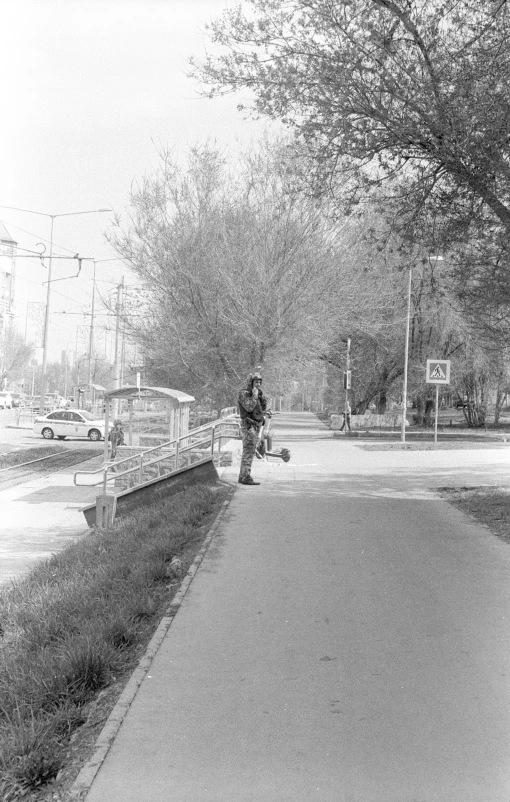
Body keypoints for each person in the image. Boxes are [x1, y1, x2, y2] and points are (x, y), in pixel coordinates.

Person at [237, 371, 267, 485]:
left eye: (259, 382)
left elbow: (262, 408)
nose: (258, 384)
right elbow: (249, 407)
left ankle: (243, 475)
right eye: (256, 382)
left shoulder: (258, 393)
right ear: (251, 382)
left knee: (249, 452)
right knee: (248, 452)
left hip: (256, 425)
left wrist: (261, 396)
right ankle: (246, 477)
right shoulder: (244, 393)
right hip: (248, 426)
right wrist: (254, 395)